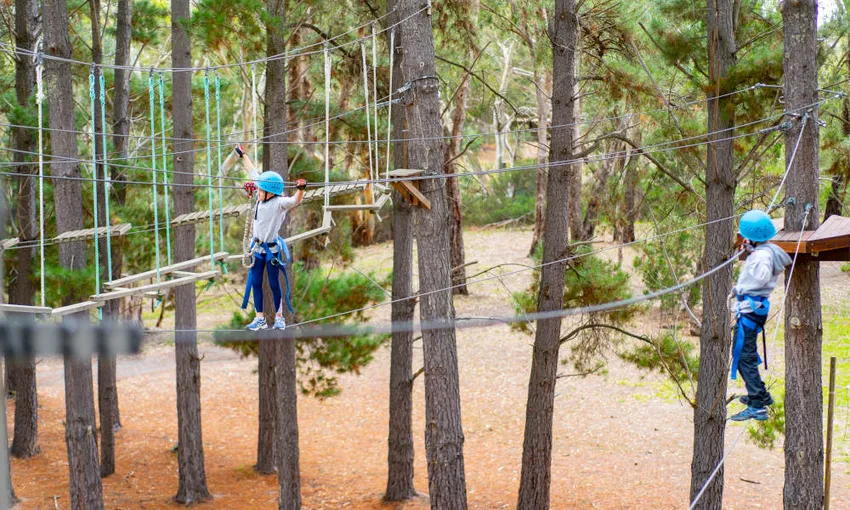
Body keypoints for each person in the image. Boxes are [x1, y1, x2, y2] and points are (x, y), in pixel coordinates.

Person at [728, 209, 791, 421]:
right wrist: (751, 251)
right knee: (746, 354)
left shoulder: (761, 256)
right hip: (754, 309)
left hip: (750, 310)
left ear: (751, 236)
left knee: (743, 358)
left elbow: (761, 275)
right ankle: (760, 394)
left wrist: (743, 286)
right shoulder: (767, 250)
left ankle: (757, 404)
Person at [235, 145, 307, 330]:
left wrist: (300, 189)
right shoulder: (262, 195)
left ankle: (279, 317)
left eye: (260, 191)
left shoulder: (279, 203)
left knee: (274, 283)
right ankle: (259, 318)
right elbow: (252, 170)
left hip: (271, 250)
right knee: (255, 282)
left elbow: (295, 201)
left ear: (270, 193)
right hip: (256, 248)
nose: (257, 192)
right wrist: (243, 155)